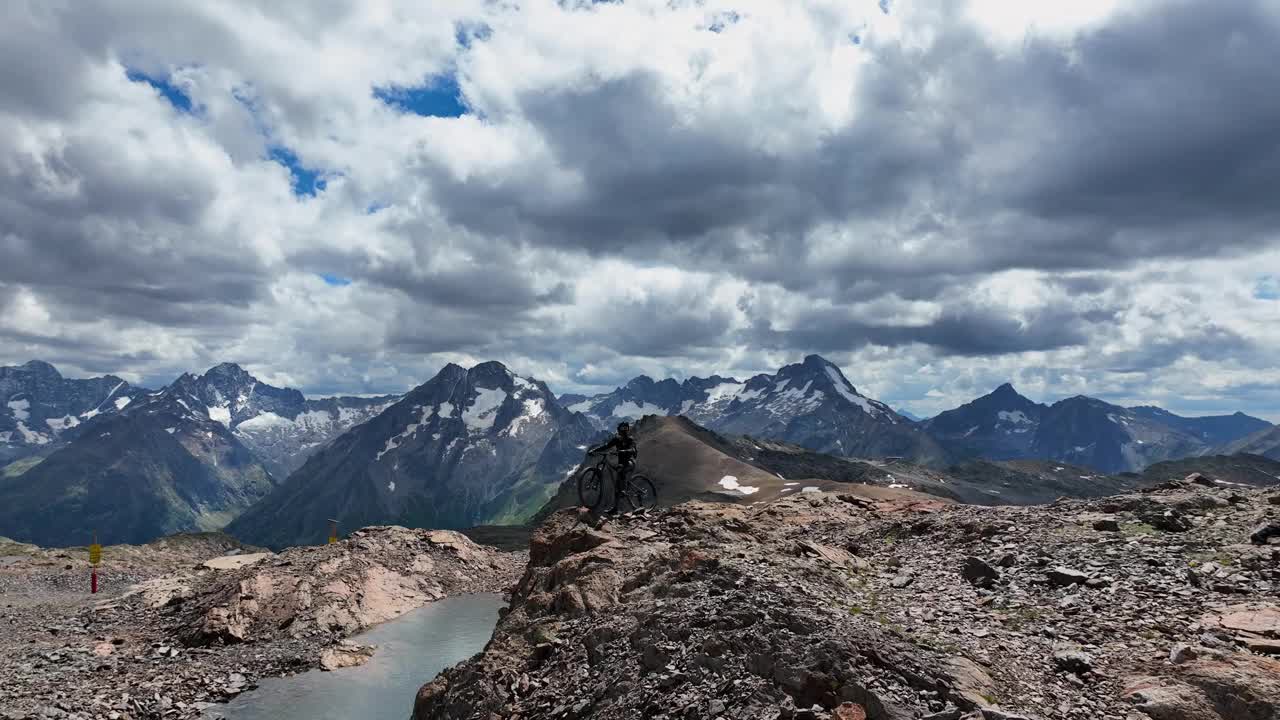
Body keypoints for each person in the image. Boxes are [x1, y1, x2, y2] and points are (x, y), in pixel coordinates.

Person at [589, 421, 638, 513]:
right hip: (621, 463)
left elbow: (632, 449)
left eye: (625, 429)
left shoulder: (630, 439)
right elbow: (606, 446)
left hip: (630, 462)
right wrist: (594, 450)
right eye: (622, 429)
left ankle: (623, 492)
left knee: (620, 471)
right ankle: (615, 508)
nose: (623, 432)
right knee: (616, 485)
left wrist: (623, 451)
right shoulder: (617, 439)